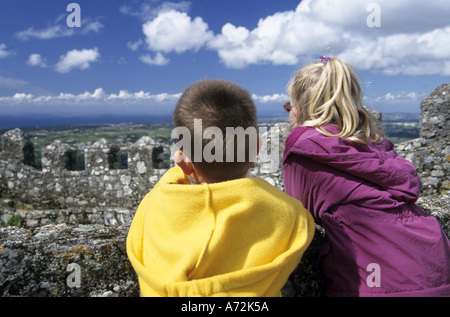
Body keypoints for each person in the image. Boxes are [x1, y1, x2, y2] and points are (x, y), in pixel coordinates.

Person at [127, 79, 315, 297]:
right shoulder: (288, 214)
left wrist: (182, 167)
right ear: (256, 147)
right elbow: (304, 223)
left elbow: (162, 191)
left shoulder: (155, 208)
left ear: (183, 160)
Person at [282, 57, 450, 297]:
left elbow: (299, 212)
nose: (289, 113)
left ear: (302, 109)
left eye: (289, 106)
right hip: (436, 265)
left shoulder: (303, 148)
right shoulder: (378, 146)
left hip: (380, 285)